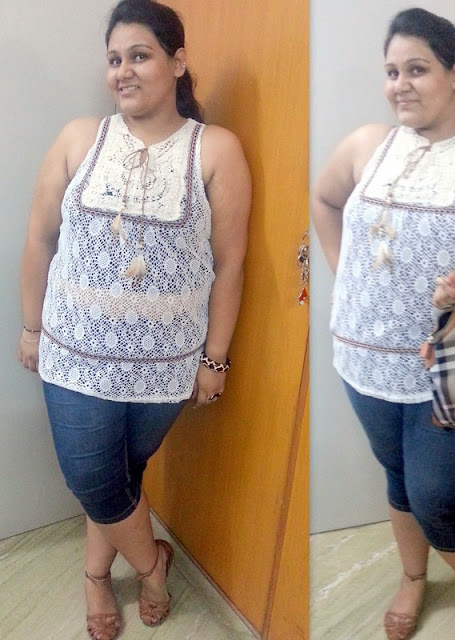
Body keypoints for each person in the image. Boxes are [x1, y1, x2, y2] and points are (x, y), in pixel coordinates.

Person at [17, 1, 251, 638]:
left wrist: (214, 358)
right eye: (115, 59)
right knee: (94, 478)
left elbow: (230, 265)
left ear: (177, 62)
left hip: (165, 366)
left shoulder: (216, 149)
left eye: (139, 55)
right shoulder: (79, 138)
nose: (123, 70)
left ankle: (97, 573)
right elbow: (39, 239)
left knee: (123, 477)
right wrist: (32, 328)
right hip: (74, 352)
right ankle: (151, 566)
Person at [312, 8, 455, 640]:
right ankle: (413, 577)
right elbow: (325, 200)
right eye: (392, 72)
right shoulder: (367, 143)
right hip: (363, 354)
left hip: (453, 361)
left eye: (417, 69)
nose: (401, 85)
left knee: (438, 493)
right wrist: (345, 276)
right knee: (399, 477)